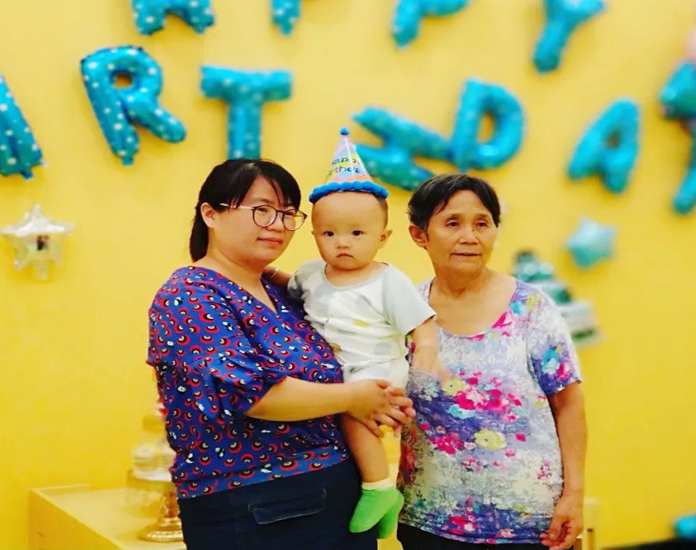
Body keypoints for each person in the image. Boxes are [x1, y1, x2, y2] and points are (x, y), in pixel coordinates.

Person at [146, 158, 414, 550]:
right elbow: (252, 394)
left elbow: (344, 362)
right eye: (262, 210)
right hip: (253, 504)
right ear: (210, 214)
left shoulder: (282, 292)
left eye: (288, 214)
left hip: (335, 488)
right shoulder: (190, 294)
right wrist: (355, 397)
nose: (277, 224)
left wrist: (383, 396)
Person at [396, 173, 588, 550]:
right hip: (430, 521)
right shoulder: (405, 311)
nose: (470, 236)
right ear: (419, 235)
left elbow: (569, 405)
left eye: (482, 223)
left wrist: (574, 495)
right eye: (453, 223)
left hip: (531, 525)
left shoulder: (531, 308)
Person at [285, 129, 446, 539]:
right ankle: (375, 493)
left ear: (382, 238)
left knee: (352, 412)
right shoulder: (310, 274)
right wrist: (265, 272)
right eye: (329, 233)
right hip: (338, 371)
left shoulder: (388, 281)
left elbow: (421, 321)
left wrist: (427, 350)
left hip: (377, 368)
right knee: (336, 410)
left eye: (357, 234)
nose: (343, 243)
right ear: (314, 235)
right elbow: (290, 291)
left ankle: (379, 487)